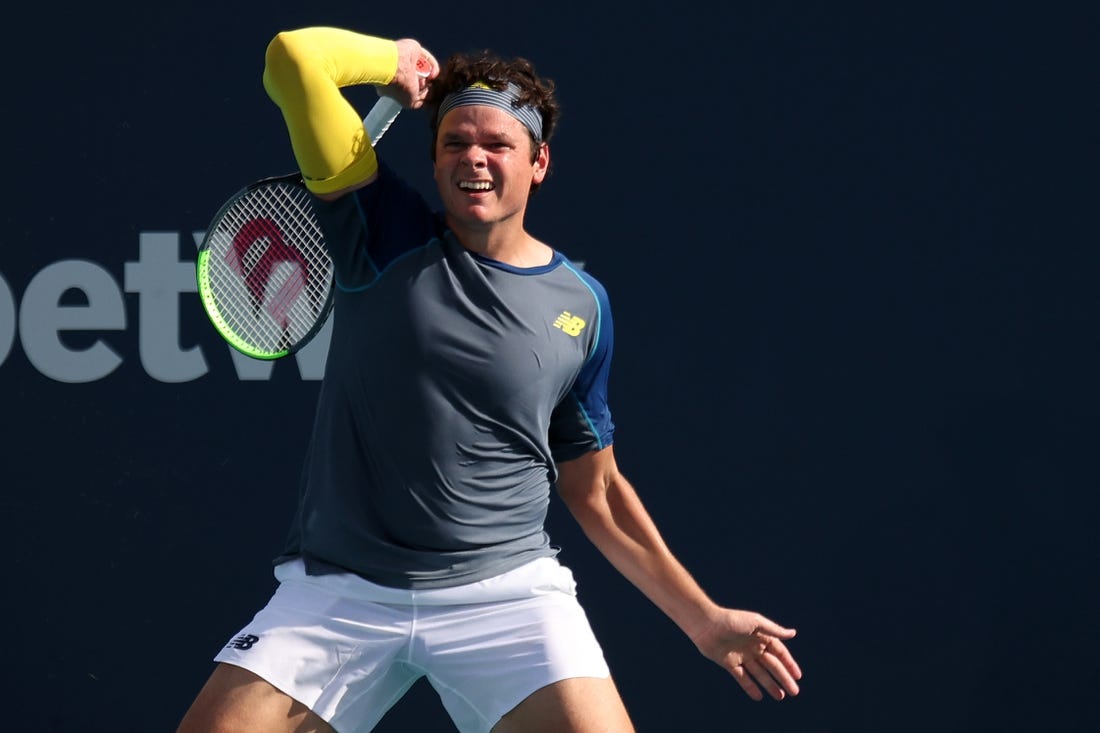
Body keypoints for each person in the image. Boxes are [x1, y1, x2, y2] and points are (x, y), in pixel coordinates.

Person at [176, 26, 802, 733]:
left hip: (505, 597)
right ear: (435, 158)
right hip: (340, 594)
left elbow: (595, 488)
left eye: (496, 144)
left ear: (538, 162)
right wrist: (392, 61)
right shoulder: (376, 229)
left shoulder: (581, 306)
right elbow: (292, 59)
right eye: (454, 142)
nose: (473, 157)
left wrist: (704, 618)